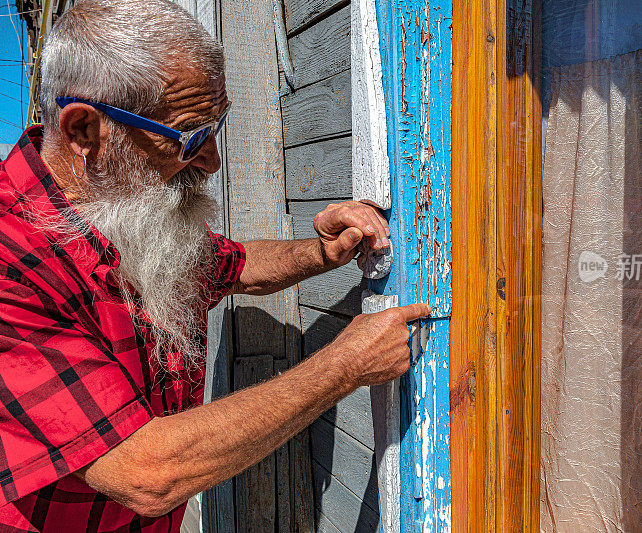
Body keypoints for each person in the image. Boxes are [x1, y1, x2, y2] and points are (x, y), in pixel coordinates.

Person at [0, 0, 429, 530]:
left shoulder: (110, 211)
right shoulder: (10, 259)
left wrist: (320, 253)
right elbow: (145, 470)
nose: (212, 162)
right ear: (85, 130)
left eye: (217, 128)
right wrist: (342, 367)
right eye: (190, 138)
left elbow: (233, 264)